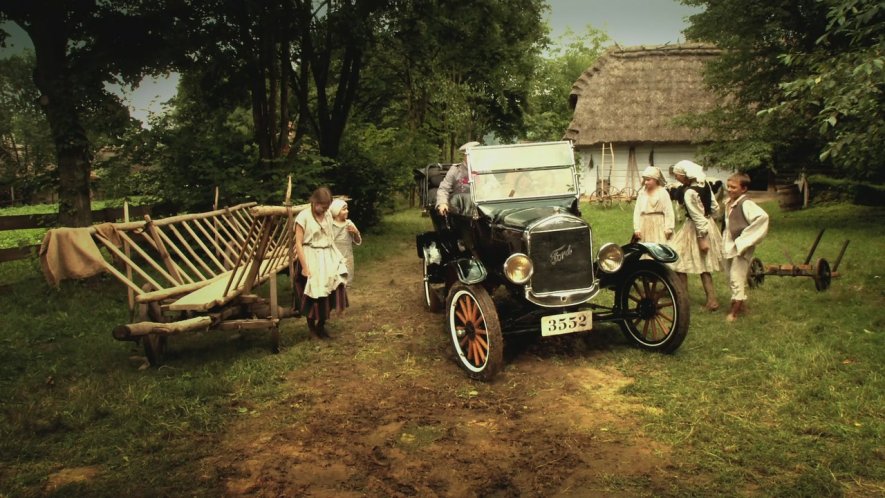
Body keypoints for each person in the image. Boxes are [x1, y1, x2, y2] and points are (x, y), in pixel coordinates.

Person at [294, 187, 348, 339]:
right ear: (314, 202)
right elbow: (298, 243)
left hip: (327, 255)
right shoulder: (303, 217)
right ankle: (312, 329)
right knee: (313, 294)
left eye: (326, 207)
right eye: (322, 207)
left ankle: (321, 325)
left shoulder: (328, 215)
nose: (324, 210)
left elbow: (332, 235)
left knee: (334, 287)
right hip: (310, 256)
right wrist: (304, 267)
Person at [670, 160, 723, 311]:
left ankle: (683, 299)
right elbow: (715, 207)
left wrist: (702, 237)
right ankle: (711, 300)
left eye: (677, 176)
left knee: (678, 261)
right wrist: (709, 219)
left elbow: (697, 217)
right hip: (707, 223)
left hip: (697, 228)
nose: (677, 179)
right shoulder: (704, 184)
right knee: (704, 265)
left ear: (684, 174)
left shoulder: (689, 192)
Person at [722, 172, 769, 322]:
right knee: (729, 274)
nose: (729, 189)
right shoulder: (729, 202)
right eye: (728, 186)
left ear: (744, 189)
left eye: (733, 187)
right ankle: (741, 305)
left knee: (737, 275)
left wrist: (744, 239)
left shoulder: (746, 204)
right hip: (730, 243)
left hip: (741, 245)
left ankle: (734, 313)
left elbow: (763, 218)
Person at [632, 166, 675, 244]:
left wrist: (669, 227)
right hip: (644, 224)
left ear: (655, 180)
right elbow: (637, 211)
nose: (646, 182)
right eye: (645, 180)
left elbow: (668, 211)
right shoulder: (642, 193)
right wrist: (637, 228)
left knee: (659, 247)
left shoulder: (662, 192)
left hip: (659, 224)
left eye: (648, 180)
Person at [436, 141, 480, 216]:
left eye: (476, 154)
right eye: (470, 155)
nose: (473, 157)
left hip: (481, 208)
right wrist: (442, 203)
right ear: (465, 156)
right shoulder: (455, 170)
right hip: (460, 210)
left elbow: (494, 186)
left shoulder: (483, 170)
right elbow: (443, 189)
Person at [329, 198, 361, 287]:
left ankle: (343, 300)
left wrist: (355, 233)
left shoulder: (349, 223)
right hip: (334, 260)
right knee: (335, 283)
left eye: (347, 208)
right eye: (344, 209)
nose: (347, 211)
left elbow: (358, 241)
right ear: (336, 211)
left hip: (348, 258)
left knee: (346, 283)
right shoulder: (330, 225)